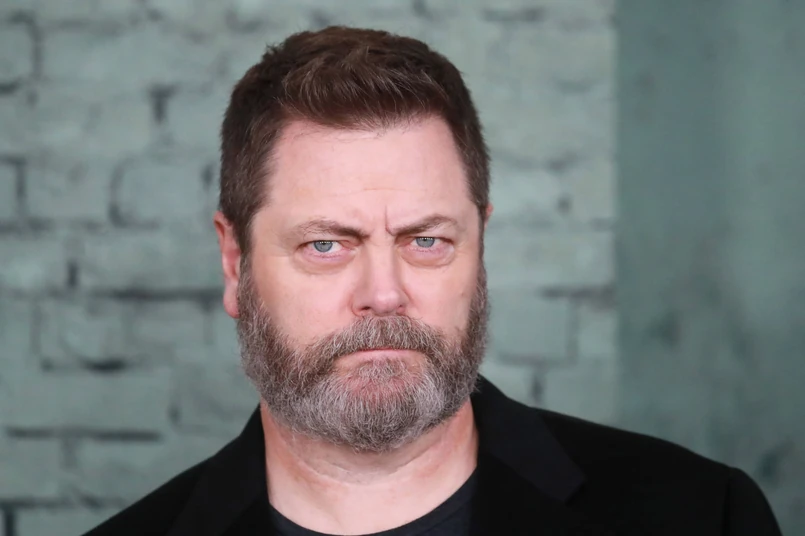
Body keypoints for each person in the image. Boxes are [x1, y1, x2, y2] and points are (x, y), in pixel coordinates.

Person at [85, 26, 781, 536]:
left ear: (480, 244)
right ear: (235, 262)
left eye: (426, 241)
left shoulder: (701, 515)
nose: (384, 293)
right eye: (326, 245)